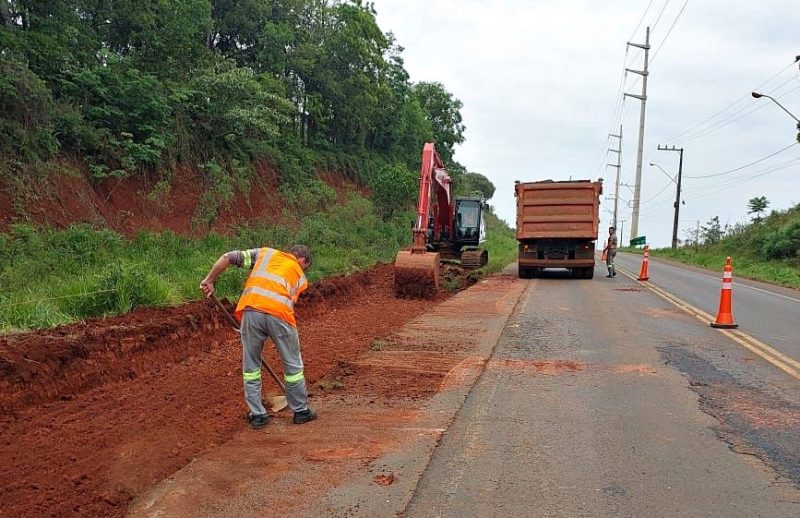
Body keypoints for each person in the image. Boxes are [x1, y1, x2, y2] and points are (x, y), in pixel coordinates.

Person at [200, 244, 317, 429]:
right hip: (279, 314)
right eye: (305, 267)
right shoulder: (299, 275)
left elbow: (228, 257)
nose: (304, 270)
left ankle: (257, 415)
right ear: (302, 261)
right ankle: (301, 412)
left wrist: (209, 279)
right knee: (292, 363)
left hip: (251, 310)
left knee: (251, 366)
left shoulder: (265, 253)